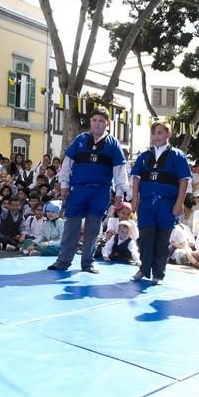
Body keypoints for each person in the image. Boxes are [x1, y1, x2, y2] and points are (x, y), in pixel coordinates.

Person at [47, 107, 129, 274]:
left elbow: (120, 171)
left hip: (100, 192)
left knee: (92, 230)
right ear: (90, 122)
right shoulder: (81, 139)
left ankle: (87, 263)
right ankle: (63, 261)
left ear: (108, 123)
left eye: (101, 121)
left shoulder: (113, 144)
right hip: (78, 190)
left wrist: (119, 193)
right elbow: (67, 163)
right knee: (71, 227)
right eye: (94, 120)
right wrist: (64, 184)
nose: (97, 124)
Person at [130, 121, 191, 284]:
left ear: (168, 134)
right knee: (145, 237)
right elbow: (136, 177)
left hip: (167, 204)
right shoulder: (144, 155)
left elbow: (184, 180)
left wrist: (179, 203)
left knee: (162, 240)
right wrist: (135, 198)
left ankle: (158, 273)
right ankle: (144, 269)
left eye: (160, 133)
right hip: (147, 204)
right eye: (154, 133)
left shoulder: (177, 155)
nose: (156, 136)